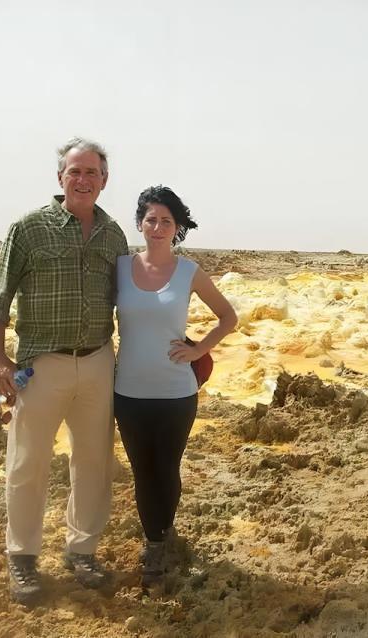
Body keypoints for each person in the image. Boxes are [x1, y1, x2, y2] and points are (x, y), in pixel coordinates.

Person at [0, 138, 129, 605]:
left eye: (92, 173)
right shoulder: (28, 228)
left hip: (98, 360)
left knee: (94, 463)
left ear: (105, 181)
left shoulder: (114, 235)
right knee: (28, 463)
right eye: (75, 171)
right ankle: (22, 558)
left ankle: (82, 550)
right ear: (60, 177)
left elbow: (128, 301)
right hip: (41, 364)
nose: (83, 180)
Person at [114, 185, 237, 583]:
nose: (157, 226)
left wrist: (197, 349)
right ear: (139, 224)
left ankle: (158, 541)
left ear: (177, 228)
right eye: (150, 219)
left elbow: (227, 317)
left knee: (166, 468)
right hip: (128, 392)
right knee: (140, 471)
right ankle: (156, 536)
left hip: (175, 393)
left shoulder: (188, 272)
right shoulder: (119, 267)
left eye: (166, 220)